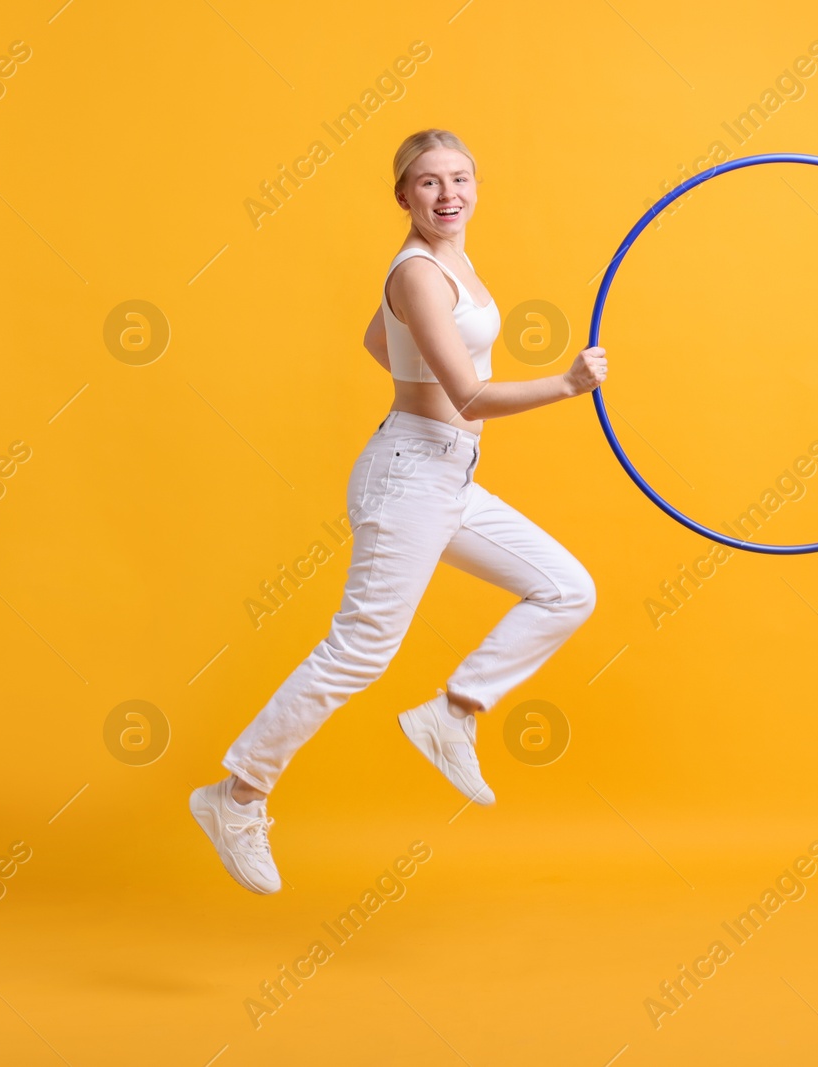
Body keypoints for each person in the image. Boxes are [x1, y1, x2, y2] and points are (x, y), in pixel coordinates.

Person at [190, 128, 607, 894]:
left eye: (461, 179)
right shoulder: (419, 272)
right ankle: (236, 796)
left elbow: (378, 340)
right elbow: (472, 396)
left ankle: (454, 711)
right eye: (428, 183)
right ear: (403, 196)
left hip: (449, 474)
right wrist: (566, 384)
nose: (448, 194)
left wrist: (425, 386)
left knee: (568, 588)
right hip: (408, 474)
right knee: (360, 651)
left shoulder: (454, 260)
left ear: (476, 186)